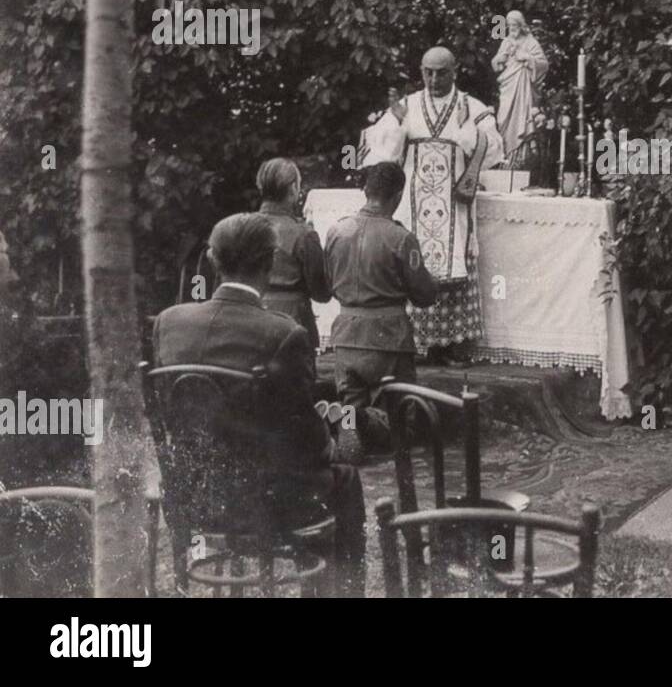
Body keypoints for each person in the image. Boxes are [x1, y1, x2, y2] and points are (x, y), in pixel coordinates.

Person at [151, 213, 366, 597]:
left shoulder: (169, 323)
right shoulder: (284, 333)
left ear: (215, 261)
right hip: (268, 503)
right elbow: (308, 443)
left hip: (194, 494)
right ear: (269, 264)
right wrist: (337, 439)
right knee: (343, 477)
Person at [364, 46, 504, 366]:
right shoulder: (407, 105)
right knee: (413, 265)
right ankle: (414, 343)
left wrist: (465, 132)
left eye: (441, 72)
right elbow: (384, 151)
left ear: (455, 70)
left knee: (453, 266)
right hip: (413, 202)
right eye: (428, 71)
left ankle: (451, 346)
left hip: (454, 202)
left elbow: (494, 150)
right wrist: (396, 125)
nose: (434, 78)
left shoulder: (472, 106)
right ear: (421, 71)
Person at [324, 162, 449, 452]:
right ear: (398, 196)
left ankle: (348, 419)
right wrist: (435, 283)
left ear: (366, 191)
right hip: (389, 337)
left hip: (346, 335)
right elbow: (424, 295)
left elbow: (328, 283)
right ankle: (362, 421)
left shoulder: (336, 231)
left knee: (351, 396)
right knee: (400, 420)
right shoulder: (402, 238)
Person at [256, 157, 331, 355]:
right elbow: (321, 292)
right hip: (292, 323)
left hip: (250, 317)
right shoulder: (303, 234)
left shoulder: (239, 227)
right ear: (292, 189)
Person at [491, 10, 549, 161]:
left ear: (521, 25)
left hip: (523, 90)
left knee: (523, 120)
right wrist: (500, 59)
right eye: (509, 26)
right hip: (508, 87)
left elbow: (543, 65)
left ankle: (519, 157)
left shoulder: (531, 42)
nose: (512, 29)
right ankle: (505, 155)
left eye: (514, 25)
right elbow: (496, 65)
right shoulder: (506, 41)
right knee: (502, 119)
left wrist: (527, 58)